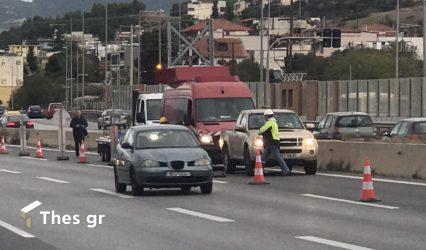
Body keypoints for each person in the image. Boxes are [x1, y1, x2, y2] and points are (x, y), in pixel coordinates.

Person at [258, 109, 290, 176]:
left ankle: (285, 170)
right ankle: (259, 170)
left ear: (267, 116)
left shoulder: (270, 123)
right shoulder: (274, 122)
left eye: (264, 116)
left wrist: (260, 131)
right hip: (273, 142)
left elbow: (261, 130)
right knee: (263, 157)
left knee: (277, 157)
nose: (264, 118)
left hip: (272, 142)